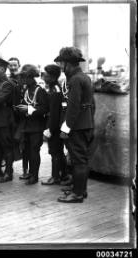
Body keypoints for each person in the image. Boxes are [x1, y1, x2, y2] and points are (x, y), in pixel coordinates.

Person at [54, 47, 94, 203]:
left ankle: (77, 194)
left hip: (76, 126)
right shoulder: (83, 77)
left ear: (67, 64)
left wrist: (65, 128)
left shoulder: (75, 79)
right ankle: (80, 190)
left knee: (78, 161)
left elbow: (73, 107)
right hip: (84, 124)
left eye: (61, 63)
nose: (60, 67)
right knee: (80, 160)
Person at [16, 64, 49, 185]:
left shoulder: (40, 91)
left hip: (36, 127)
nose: (23, 80)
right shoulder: (26, 90)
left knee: (34, 152)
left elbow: (45, 109)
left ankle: (34, 176)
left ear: (31, 77)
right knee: (27, 151)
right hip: (26, 126)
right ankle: (30, 172)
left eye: (25, 77)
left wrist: (28, 109)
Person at [41, 64, 67, 185]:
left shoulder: (55, 91)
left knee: (55, 152)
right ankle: (63, 175)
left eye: (45, 74)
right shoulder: (53, 88)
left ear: (52, 77)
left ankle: (55, 177)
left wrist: (49, 129)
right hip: (56, 125)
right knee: (58, 151)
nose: (43, 76)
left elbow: (54, 113)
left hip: (55, 126)